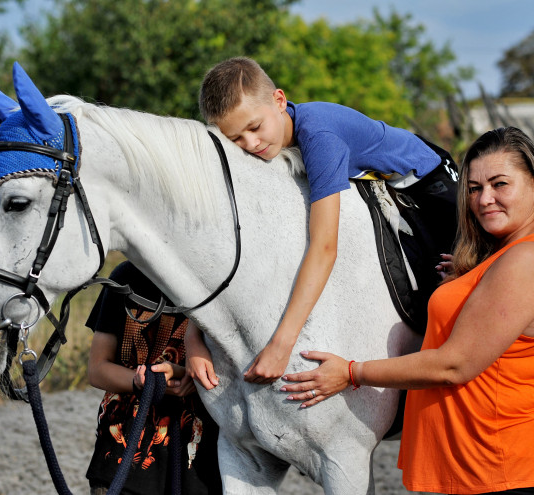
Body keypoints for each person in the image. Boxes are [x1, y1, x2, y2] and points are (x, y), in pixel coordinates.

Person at [281, 126, 534, 494]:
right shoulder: (504, 257)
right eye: (473, 188)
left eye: (500, 184)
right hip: (483, 467)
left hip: (507, 467)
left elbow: (453, 365)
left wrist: (352, 372)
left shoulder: (528, 259)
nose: (485, 199)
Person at [192, 56, 458, 385]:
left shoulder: (319, 136)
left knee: (459, 278)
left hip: (427, 180)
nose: (251, 144)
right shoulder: (271, 135)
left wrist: (281, 344)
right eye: (236, 139)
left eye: (255, 127)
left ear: (279, 100)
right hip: (377, 180)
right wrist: (195, 336)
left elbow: (325, 246)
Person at [85, 261, 222, 495]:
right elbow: (97, 369)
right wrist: (141, 381)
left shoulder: (219, 282)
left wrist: (182, 374)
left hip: (197, 462)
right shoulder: (126, 276)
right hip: (120, 455)